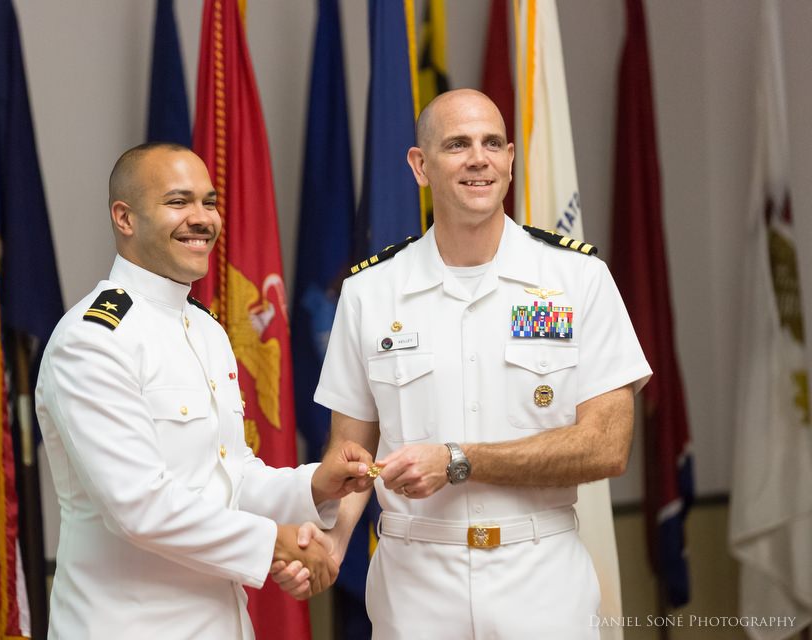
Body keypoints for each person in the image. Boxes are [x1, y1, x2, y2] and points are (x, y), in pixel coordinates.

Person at [278, 89, 652, 638]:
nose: (479, 158)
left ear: (509, 160)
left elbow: (607, 446)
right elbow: (351, 454)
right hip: (414, 587)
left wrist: (458, 459)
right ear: (420, 166)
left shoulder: (577, 280)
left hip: (540, 578)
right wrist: (333, 539)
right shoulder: (370, 291)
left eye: (492, 143)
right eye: (457, 144)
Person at [35, 142, 374, 639]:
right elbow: (140, 507)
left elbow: (228, 479)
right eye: (178, 202)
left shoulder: (206, 330)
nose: (202, 218)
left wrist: (314, 485)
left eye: (209, 202)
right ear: (124, 218)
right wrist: (276, 543)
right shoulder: (91, 340)